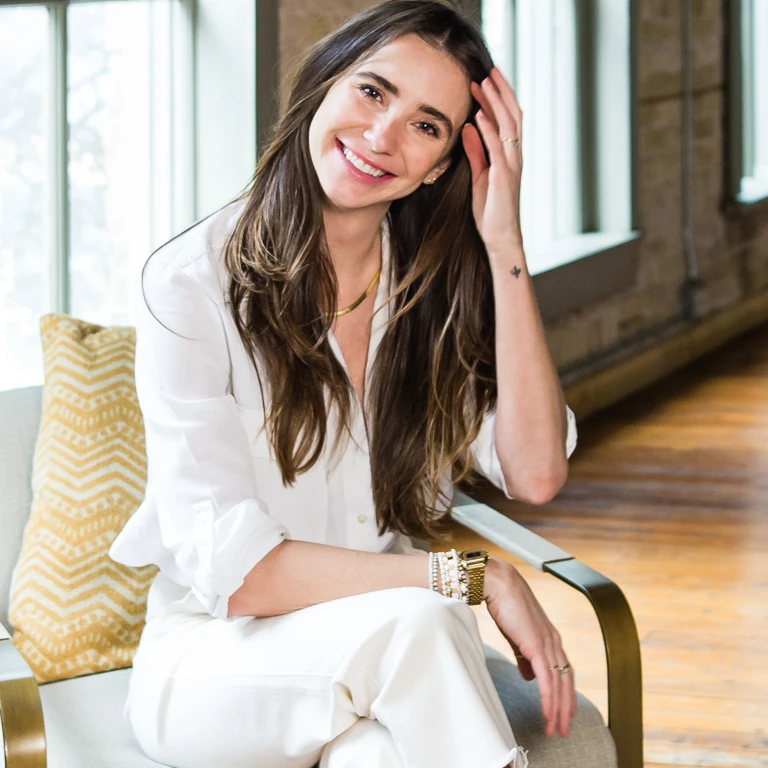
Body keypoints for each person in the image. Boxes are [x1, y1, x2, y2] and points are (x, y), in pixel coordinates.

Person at [110, 1, 580, 766]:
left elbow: (534, 469)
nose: (383, 135)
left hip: (384, 659)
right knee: (426, 619)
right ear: (324, 84)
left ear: (441, 166)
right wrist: (471, 576)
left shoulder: (424, 290)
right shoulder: (190, 284)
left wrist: (503, 242)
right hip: (214, 664)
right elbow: (243, 578)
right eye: (372, 91)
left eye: (427, 126)